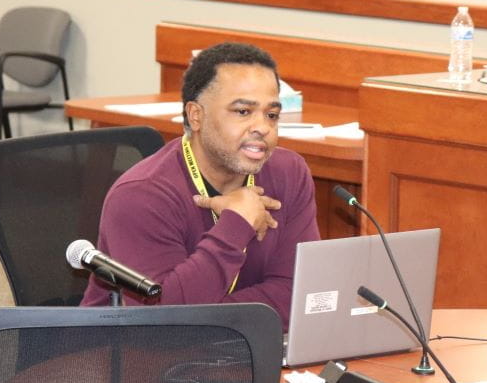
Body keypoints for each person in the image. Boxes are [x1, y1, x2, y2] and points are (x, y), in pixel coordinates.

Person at [81, 42, 319, 329]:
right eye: (243, 112)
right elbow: (166, 324)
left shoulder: (289, 172)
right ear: (196, 116)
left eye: (271, 115)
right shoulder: (140, 195)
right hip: (130, 358)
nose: (263, 127)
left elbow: (298, 296)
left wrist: (209, 316)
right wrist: (237, 225)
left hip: (245, 349)